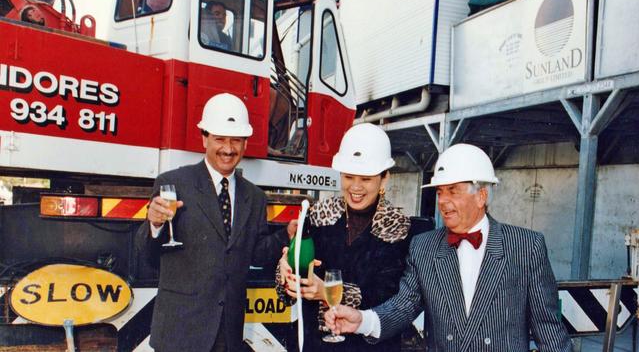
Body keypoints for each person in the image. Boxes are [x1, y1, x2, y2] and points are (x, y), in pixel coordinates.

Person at [325, 143, 572, 351]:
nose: (443, 202)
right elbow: (402, 306)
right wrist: (362, 321)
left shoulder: (526, 247)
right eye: (440, 192)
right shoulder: (424, 247)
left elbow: (549, 330)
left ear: (481, 195)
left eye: (453, 191)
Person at [137, 93, 291, 352]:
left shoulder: (254, 197)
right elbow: (148, 256)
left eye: (236, 140)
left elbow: (255, 254)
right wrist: (155, 224)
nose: (228, 149)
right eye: (220, 139)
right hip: (180, 334)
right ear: (204, 138)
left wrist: (287, 233)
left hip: (227, 334)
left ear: (245, 144)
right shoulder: (173, 184)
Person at [276, 123, 411, 351]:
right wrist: (286, 272)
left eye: (366, 179)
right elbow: (288, 290)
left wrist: (326, 294)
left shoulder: (398, 226)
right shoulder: (317, 215)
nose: (355, 187)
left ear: (384, 179)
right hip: (313, 344)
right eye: (349, 176)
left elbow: (390, 300)